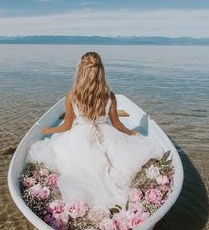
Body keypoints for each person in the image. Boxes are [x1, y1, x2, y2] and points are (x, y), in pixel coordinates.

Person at [26, 51, 164, 208]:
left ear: (81, 72)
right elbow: (117, 124)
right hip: (107, 134)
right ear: (101, 72)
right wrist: (133, 133)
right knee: (116, 163)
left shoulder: (72, 96)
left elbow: (67, 126)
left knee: (78, 165)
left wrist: (47, 131)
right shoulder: (109, 96)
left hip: (80, 137)